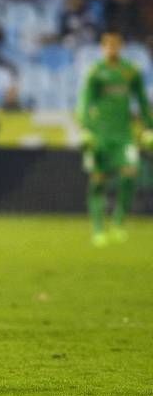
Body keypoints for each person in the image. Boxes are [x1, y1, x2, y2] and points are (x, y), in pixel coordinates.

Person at [76, 32, 153, 247]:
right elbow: (84, 101)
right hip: (100, 135)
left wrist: (149, 127)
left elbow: (142, 101)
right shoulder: (96, 72)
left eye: (115, 46)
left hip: (124, 135)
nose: (111, 50)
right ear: (102, 48)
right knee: (98, 180)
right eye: (107, 46)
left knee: (130, 173)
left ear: (120, 47)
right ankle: (98, 229)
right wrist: (85, 128)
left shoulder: (130, 72)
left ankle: (118, 223)